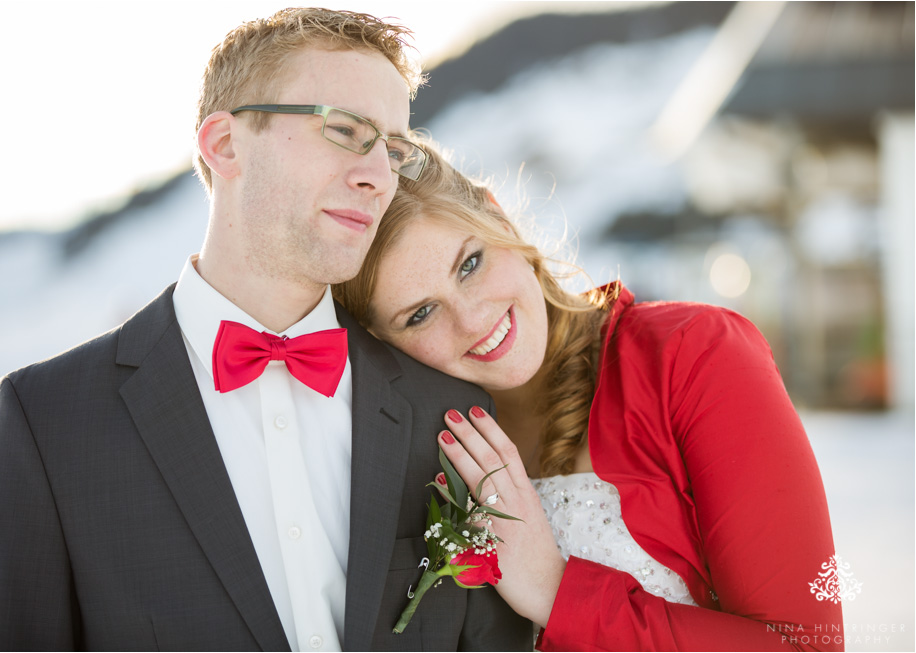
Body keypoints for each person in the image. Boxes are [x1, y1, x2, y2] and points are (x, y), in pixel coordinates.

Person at [0, 11, 531, 651]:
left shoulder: (451, 417)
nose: (378, 176)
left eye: (393, 150)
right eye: (345, 130)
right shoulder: (50, 422)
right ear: (225, 144)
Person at [333, 141, 845, 651]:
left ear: (500, 221)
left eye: (469, 264)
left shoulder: (691, 355)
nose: (471, 321)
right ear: (380, 341)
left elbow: (805, 646)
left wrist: (555, 590)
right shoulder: (408, 451)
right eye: (420, 314)